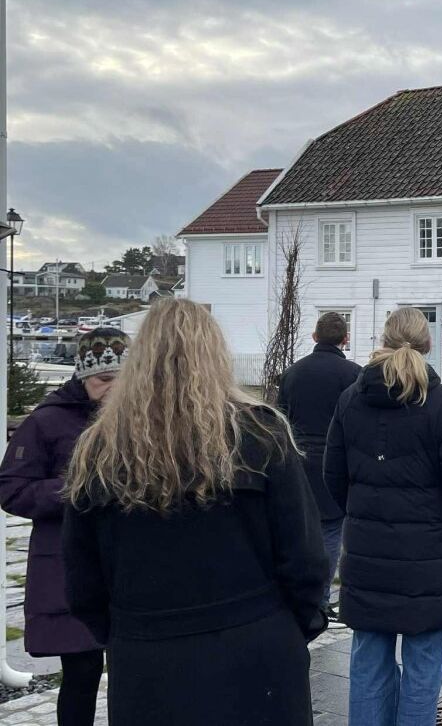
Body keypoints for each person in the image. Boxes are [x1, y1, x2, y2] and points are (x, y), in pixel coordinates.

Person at [60, 299, 327, 726]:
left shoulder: (98, 450)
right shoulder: (261, 434)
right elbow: (305, 557)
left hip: (148, 655)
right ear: (215, 356)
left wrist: (125, 633)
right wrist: (292, 628)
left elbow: (81, 578)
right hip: (256, 646)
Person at [325, 307, 442, 726]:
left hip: (368, 553)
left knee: (368, 665)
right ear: (427, 344)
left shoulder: (352, 400)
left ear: (384, 338)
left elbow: (333, 475)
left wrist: (360, 517)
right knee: (424, 670)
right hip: (428, 556)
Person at [0, 328, 127, 726]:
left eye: (123, 379)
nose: (114, 388)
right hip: (69, 565)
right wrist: (78, 487)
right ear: (82, 375)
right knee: (82, 671)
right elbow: (12, 490)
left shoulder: (141, 417)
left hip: (129, 566)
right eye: (104, 379)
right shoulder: (46, 421)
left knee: (133, 672)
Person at [277, 311, 362, 624]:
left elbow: (280, 420)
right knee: (330, 532)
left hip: (296, 459)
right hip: (335, 460)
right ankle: (321, 599)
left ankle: (295, 595)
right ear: (345, 339)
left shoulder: (292, 373)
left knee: (297, 530)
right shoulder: (353, 374)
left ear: (314, 337)